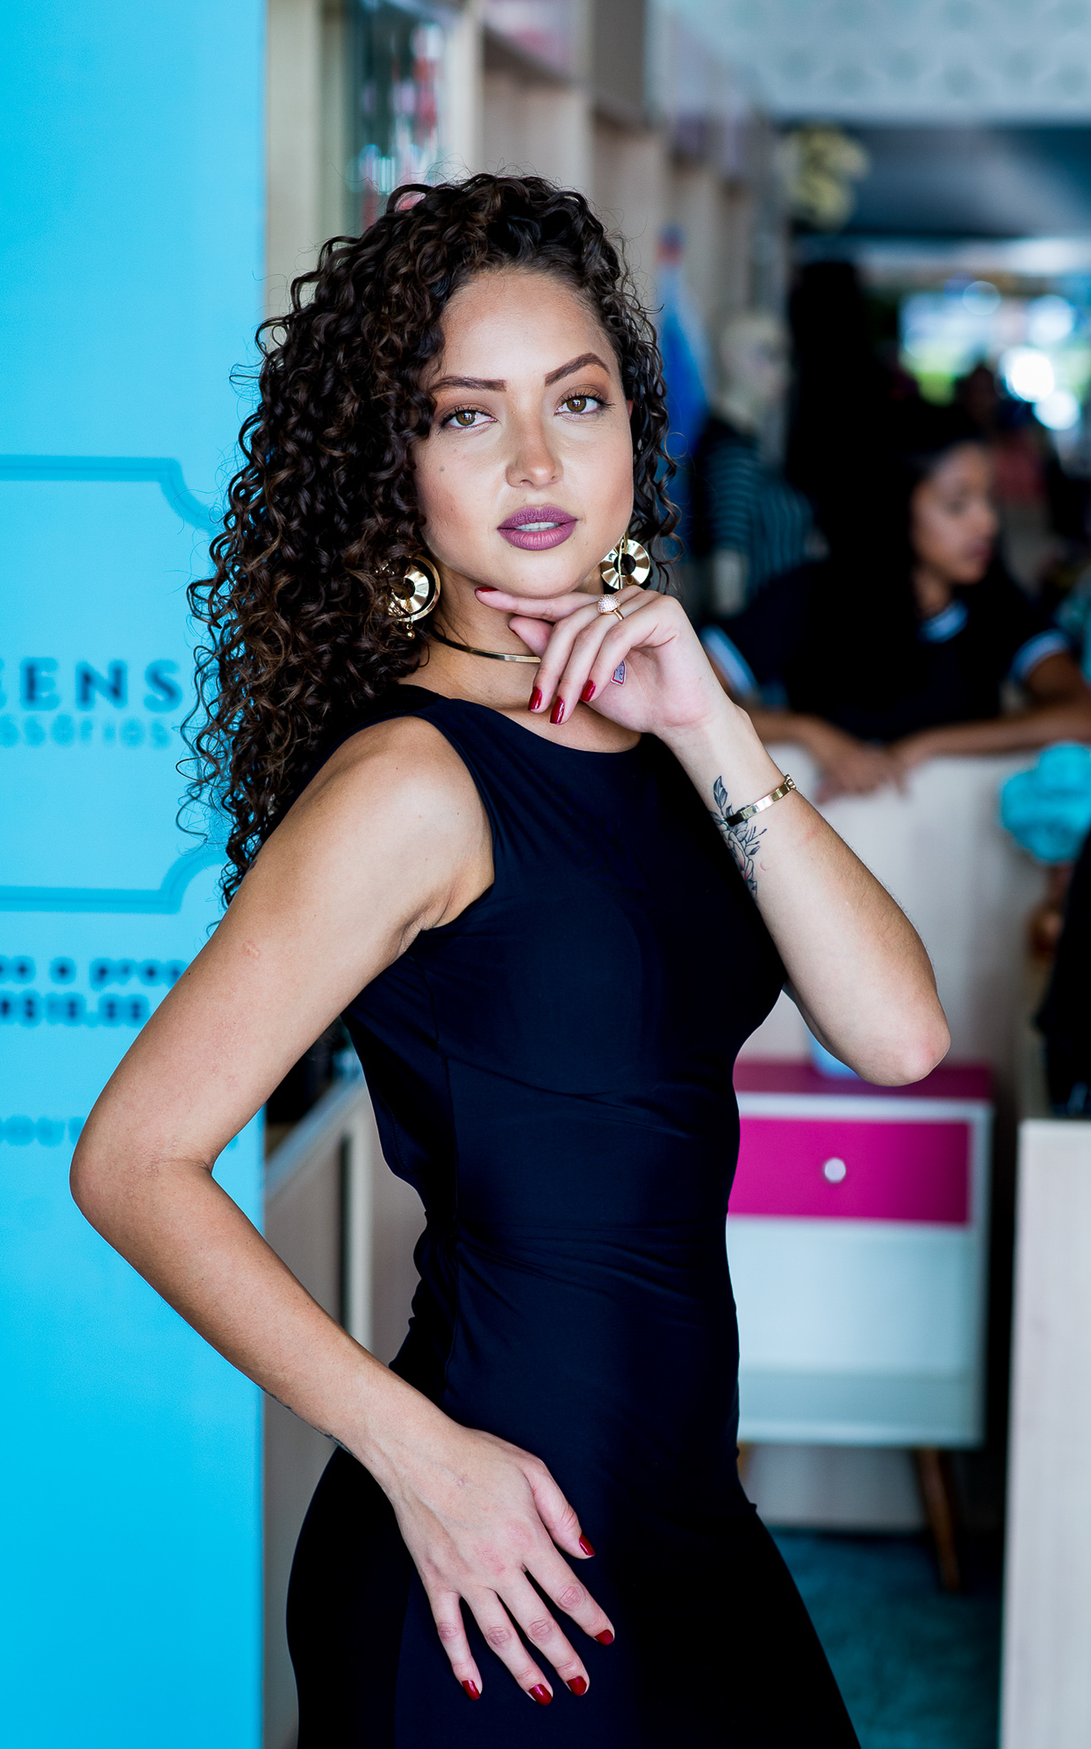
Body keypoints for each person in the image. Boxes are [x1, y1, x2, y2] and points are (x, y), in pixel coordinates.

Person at [69, 175, 949, 1746]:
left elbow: (895, 1035)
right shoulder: (410, 783)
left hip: (677, 1506)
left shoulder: (666, 725)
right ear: (396, 464)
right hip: (490, 1544)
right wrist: (417, 1455)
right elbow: (133, 1161)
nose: (537, 461)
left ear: (634, 434)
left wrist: (713, 721)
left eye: (577, 400)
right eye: (468, 415)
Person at [704, 401, 1091, 799]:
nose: (988, 522)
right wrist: (806, 732)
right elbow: (693, 691)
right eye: (957, 505)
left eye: (989, 499)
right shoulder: (813, 595)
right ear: (894, 507)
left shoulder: (995, 605)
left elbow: (1081, 715)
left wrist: (928, 746)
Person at [688, 311, 817, 620]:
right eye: (769, 354)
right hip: (757, 632)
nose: (783, 370)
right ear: (730, 357)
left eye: (784, 356)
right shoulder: (731, 453)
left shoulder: (744, 448)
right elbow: (726, 565)